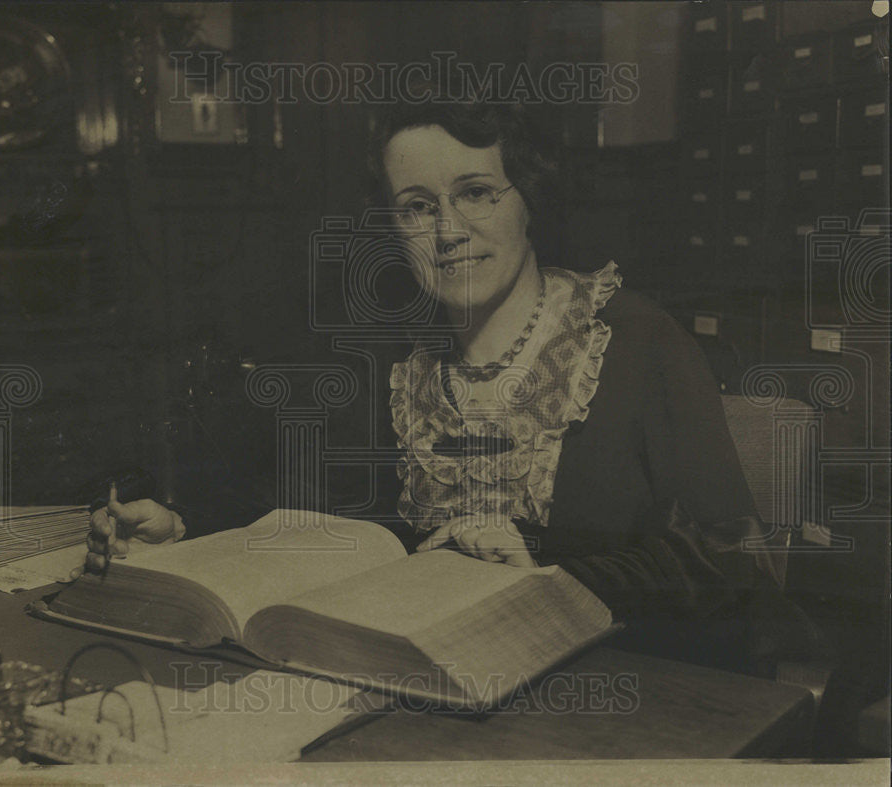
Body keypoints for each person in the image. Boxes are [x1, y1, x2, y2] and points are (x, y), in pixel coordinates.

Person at [85, 94, 817, 675]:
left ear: (529, 197)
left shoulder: (635, 339)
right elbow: (317, 512)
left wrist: (545, 565)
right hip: (430, 680)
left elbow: (727, 559)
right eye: (417, 206)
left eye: (475, 193)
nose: (447, 231)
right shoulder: (400, 361)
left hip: (627, 689)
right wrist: (180, 525)